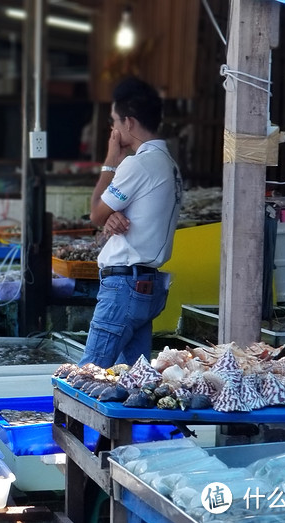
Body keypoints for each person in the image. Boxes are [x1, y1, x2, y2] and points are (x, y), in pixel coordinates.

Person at [79, 76, 182, 368]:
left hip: (124, 286)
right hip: (146, 284)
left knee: (87, 376)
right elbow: (114, 215)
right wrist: (112, 217)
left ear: (129, 122)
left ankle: (70, 417)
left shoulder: (139, 164)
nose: (112, 130)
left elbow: (96, 213)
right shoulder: (169, 164)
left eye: (114, 121)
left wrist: (111, 160)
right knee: (133, 379)